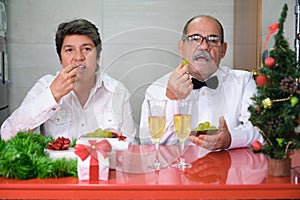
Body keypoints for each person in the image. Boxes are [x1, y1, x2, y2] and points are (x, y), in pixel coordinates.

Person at [139, 15, 264, 150]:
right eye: (195, 39)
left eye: (213, 40)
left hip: (230, 169)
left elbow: (262, 130)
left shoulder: (243, 81)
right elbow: (149, 145)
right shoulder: (157, 90)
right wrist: (172, 99)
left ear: (224, 50)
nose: (204, 46)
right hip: (179, 169)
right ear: (181, 47)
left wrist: (230, 139)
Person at [1, 19, 136, 142]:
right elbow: (7, 136)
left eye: (86, 49)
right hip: (56, 169)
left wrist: (117, 142)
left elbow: (131, 147)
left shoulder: (117, 91)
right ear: (60, 58)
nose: (78, 57)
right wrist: (52, 95)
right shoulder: (45, 86)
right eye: (69, 50)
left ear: (98, 56)